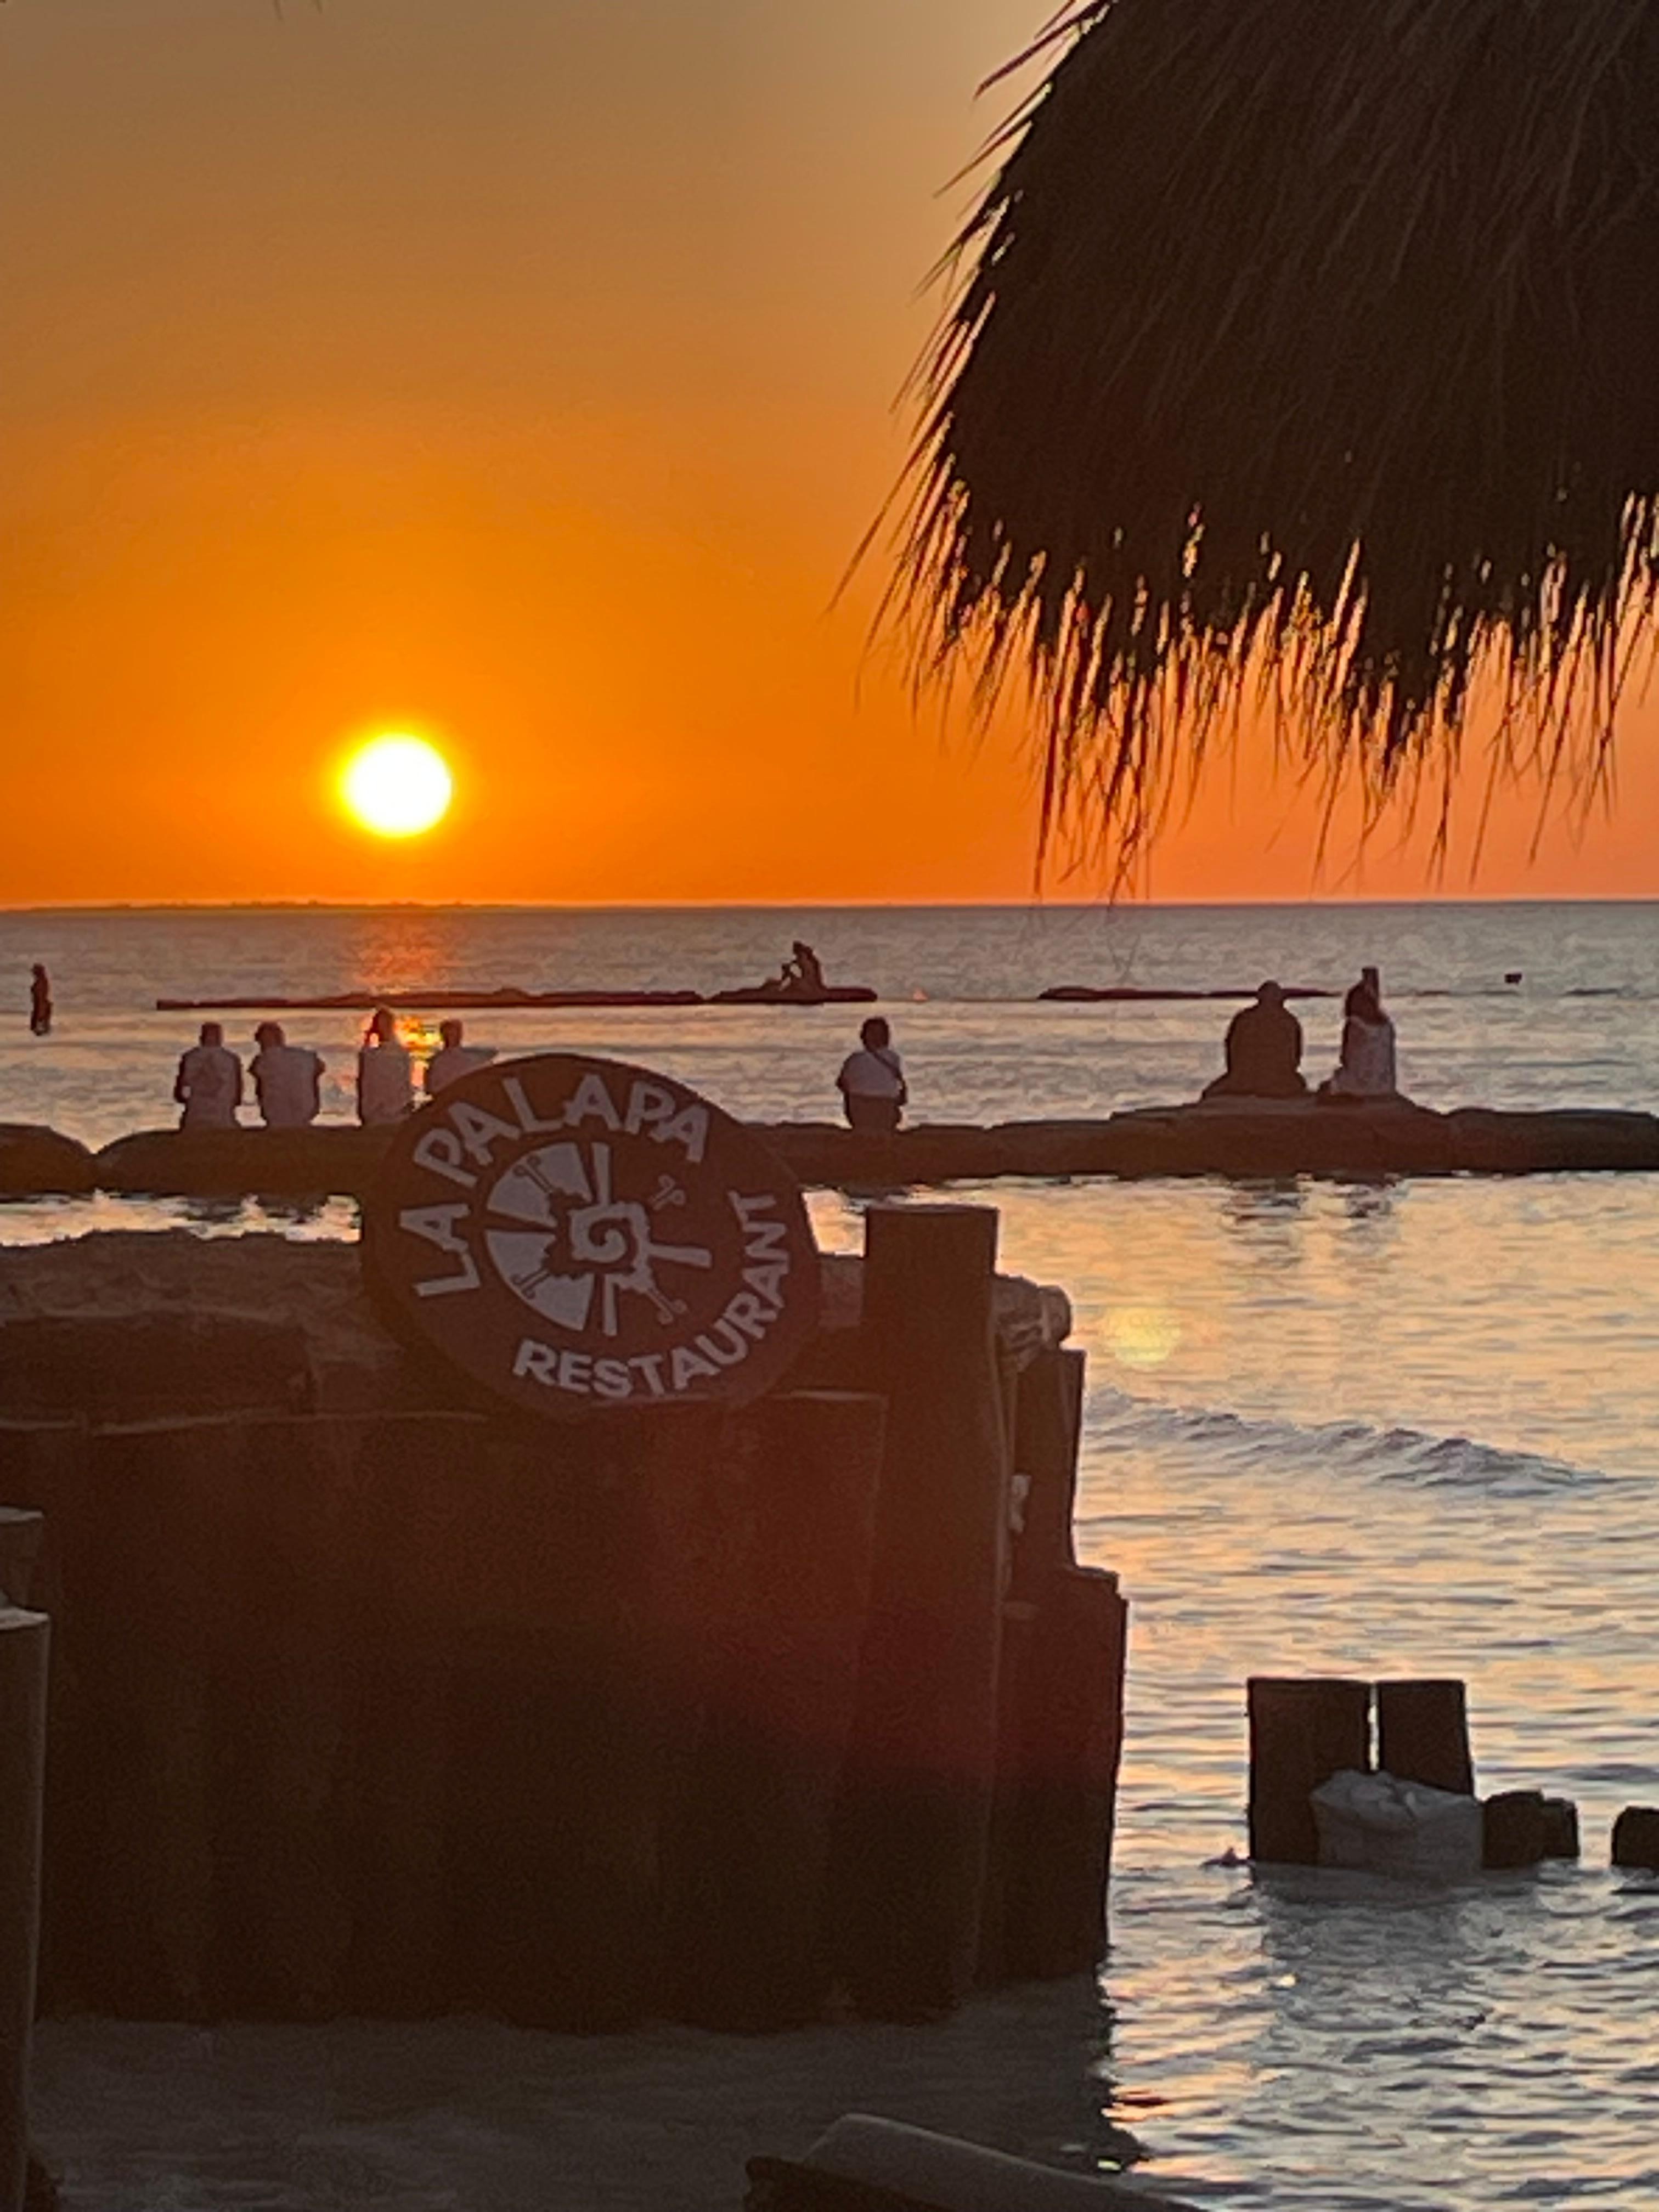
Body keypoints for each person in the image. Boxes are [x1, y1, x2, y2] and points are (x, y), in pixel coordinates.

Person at [1200, 981, 1307, 1099]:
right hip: (1273, 1079)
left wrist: (1237, 1073)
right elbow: (1295, 1057)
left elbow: (1231, 1050)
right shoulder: (1289, 1022)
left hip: (1247, 1077)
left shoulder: (1244, 1019)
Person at [1319, 974, 1400, 1102]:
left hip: (1360, 1084)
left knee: (1326, 1087)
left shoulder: (1355, 1025)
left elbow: (1346, 1057)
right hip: (1385, 1085)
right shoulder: (1387, 1026)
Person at [249, 1020, 325, 1129]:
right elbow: (320, 1067)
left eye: (260, 1043)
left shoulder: (262, 1060)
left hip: (275, 1116)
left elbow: (258, 1087)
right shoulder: (305, 1056)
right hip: (305, 1114)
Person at [837, 1015, 907, 1132]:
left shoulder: (854, 1059)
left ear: (863, 1037)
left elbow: (841, 1084)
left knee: (848, 1089)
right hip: (885, 1114)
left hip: (859, 1114)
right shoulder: (893, 1058)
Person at [173, 1022, 243, 1129]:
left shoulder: (190, 1057)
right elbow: (238, 1097)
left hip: (196, 1115)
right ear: (220, 1038)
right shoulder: (231, 1059)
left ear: (201, 1037)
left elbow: (179, 1094)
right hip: (223, 1117)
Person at [357, 1005, 413, 1125]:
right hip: (390, 1113)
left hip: (388, 1112)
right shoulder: (399, 1054)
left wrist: (368, 1037)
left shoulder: (376, 1056)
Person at [424, 1018, 495, 1097]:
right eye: (451, 1034)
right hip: (454, 1097)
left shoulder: (436, 1062)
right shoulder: (438, 1062)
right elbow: (431, 1089)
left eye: (453, 1034)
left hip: (453, 1096)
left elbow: (430, 1089)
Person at [28, 965, 50, 1037]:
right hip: (39, 1004)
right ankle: (42, 1027)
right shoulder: (42, 981)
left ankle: (41, 1027)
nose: (33, 974)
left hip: (40, 1005)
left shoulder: (41, 982)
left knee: (40, 1015)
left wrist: (40, 1016)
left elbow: (40, 997)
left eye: (35, 972)